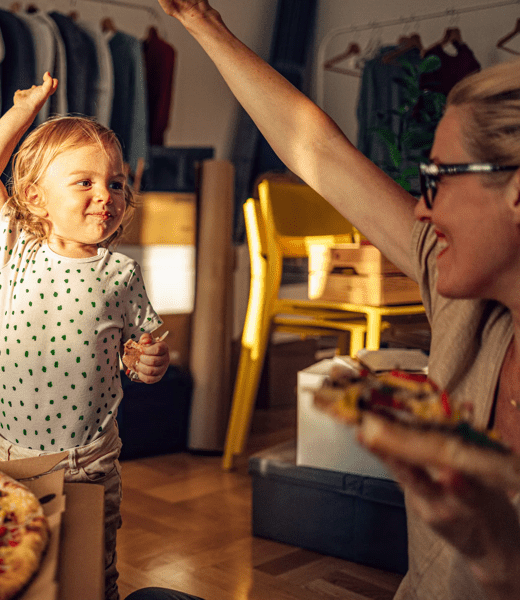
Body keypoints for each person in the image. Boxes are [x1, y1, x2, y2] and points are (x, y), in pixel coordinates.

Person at [126, 2, 520, 600]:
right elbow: (318, 150)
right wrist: (200, 21)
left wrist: (498, 559)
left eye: (438, 179)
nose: (421, 206)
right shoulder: (468, 306)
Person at [0, 73, 171, 600]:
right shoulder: (15, 249)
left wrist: (147, 361)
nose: (105, 195)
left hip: (89, 461)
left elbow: (142, 351)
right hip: (7, 455)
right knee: (10, 569)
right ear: (35, 196)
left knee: (88, 578)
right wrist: (24, 110)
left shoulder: (121, 274)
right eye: (85, 182)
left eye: (117, 183)